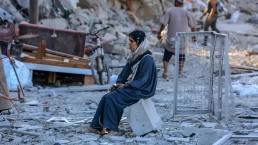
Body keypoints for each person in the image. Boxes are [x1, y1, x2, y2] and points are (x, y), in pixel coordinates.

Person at [79, 30, 157, 135]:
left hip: (142, 90)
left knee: (113, 98)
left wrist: (126, 86)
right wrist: (117, 84)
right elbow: (124, 74)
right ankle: (95, 126)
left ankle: (113, 129)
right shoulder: (134, 56)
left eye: (132, 41)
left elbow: (143, 80)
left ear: (139, 43)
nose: (129, 44)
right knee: (106, 97)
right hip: (133, 87)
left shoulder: (147, 59)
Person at [157, 0, 196, 79]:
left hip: (171, 40)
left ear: (177, 3)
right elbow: (193, 26)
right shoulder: (187, 13)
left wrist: (159, 32)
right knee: (182, 57)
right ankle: (180, 73)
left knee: (166, 57)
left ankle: (165, 72)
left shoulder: (170, 11)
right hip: (182, 41)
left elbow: (163, 23)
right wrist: (194, 36)